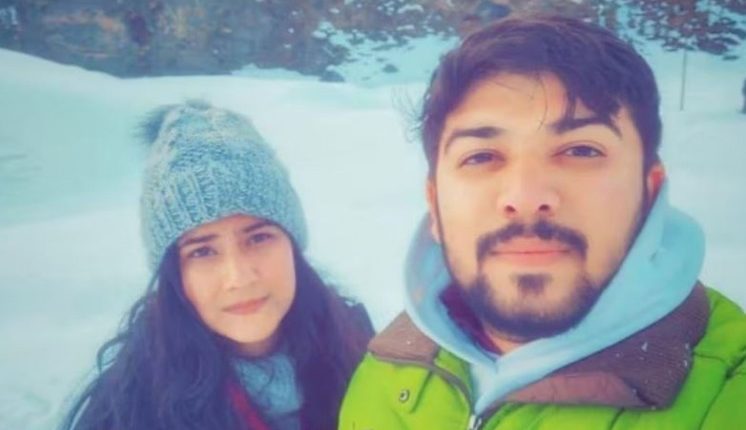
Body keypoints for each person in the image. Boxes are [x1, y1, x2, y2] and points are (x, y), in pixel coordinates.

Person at [340, 15, 746, 429]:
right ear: (435, 204)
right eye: (481, 156)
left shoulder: (731, 390)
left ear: (650, 192)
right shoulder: (385, 373)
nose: (525, 198)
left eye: (581, 151)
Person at [60, 101, 373, 430]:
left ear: (292, 245)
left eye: (258, 238)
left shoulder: (364, 351)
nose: (239, 277)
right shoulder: (130, 411)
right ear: (174, 273)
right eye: (203, 252)